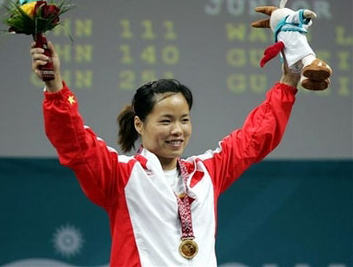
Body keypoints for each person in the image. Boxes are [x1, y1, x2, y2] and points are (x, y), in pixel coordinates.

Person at [30, 40, 300, 267]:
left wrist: (288, 82)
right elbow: (74, 142)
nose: (177, 130)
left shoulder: (206, 171)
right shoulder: (120, 176)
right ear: (140, 124)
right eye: (166, 121)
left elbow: (256, 137)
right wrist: (55, 87)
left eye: (184, 119)